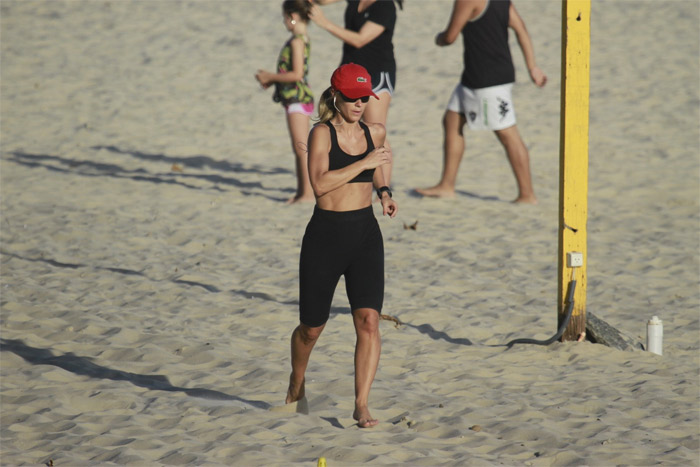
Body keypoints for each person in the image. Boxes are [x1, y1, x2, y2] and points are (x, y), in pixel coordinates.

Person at [285, 63, 398, 428]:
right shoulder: (321, 134)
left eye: (364, 97)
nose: (359, 104)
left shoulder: (374, 131)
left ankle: (361, 404)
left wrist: (384, 191)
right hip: (326, 236)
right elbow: (319, 184)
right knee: (311, 328)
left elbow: (380, 162)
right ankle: (296, 383)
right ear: (335, 95)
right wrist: (364, 162)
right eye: (352, 98)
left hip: (365, 233)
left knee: (368, 321)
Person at [416, 0, 547, 204]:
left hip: (487, 80)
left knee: (507, 133)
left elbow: (450, 37)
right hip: (476, 76)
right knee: (452, 119)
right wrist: (533, 67)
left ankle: (527, 194)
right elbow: (520, 29)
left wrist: (439, 39)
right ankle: (446, 186)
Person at [309, 0, 402, 186]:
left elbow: (360, 39)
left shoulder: (385, 6)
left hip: (377, 72)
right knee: (350, 124)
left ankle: (383, 187)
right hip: (351, 72)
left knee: (375, 129)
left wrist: (324, 22)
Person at [255, 0, 315, 204]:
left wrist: (271, 77)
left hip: (297, 98)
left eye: (284, 18)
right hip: (294, 98)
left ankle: (306, 193)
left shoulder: (297, 41)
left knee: (301, 149)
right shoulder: (301, 39)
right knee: (299, 149)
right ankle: (301, 192)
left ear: (293, 16)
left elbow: (297, 74)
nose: (284, 22)